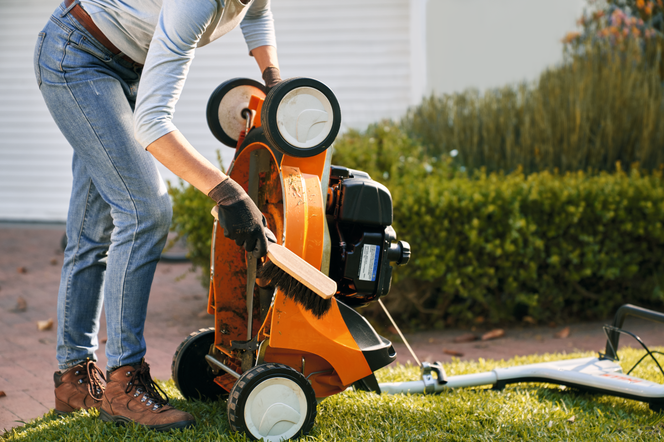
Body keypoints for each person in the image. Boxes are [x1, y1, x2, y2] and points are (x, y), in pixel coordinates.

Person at [34, 0, 280, 431]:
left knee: (93, 229)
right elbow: (154, 123)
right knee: (145, 209)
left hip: (124, 69)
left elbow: (257, 14)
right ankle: (123, 384)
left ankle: (74, 381)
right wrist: (226, 192)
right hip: (77, 56)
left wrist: (273, 78)